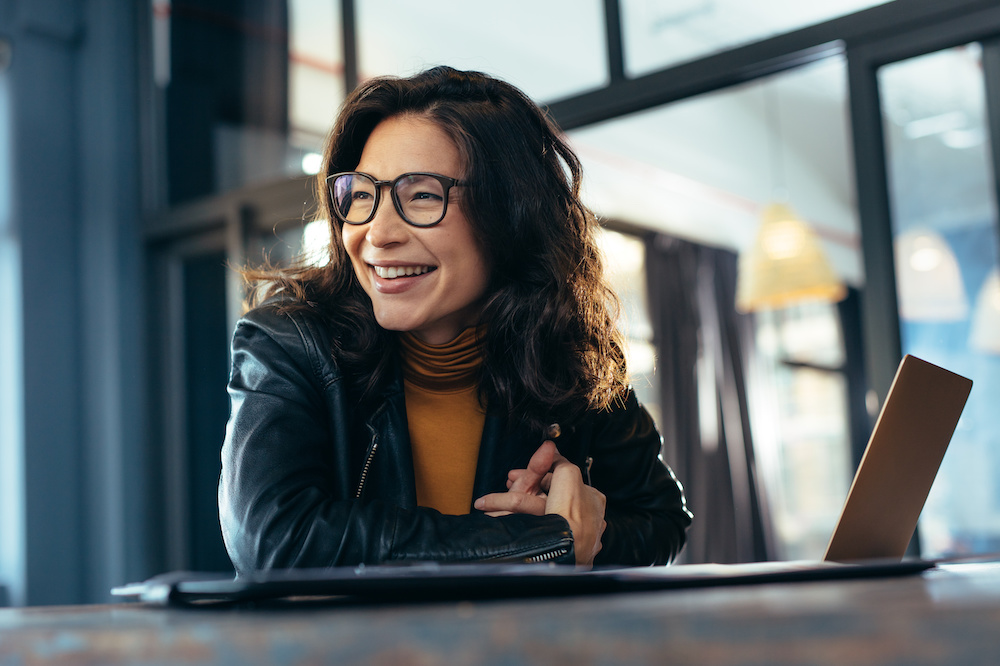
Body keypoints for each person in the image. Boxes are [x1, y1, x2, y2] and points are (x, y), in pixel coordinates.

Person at [219, 66, 691, 573]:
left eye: (421, 195)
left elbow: (662, 518)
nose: (376, 234)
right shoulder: (289, 342)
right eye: (361, 194)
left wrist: (590, 533)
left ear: (511, 213)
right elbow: (272, 539)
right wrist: (541, 542)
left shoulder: (565, 351)